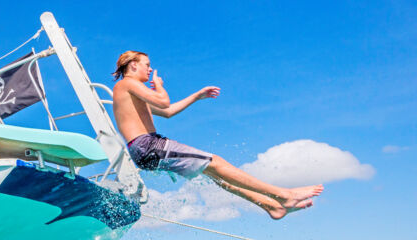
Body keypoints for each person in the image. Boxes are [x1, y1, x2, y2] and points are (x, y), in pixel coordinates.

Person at [111, 51, 323, 220]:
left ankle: (271, 206)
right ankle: (284, 196)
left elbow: (167, 112)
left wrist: (196, 96)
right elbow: (164, 102)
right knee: (216, 162)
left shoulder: (132, 94)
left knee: (216, 174)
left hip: (145, 149)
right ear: (133, 65)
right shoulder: (127, 83)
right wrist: (159, 87)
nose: (150, 69)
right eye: (147, 64)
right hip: (148, 145)